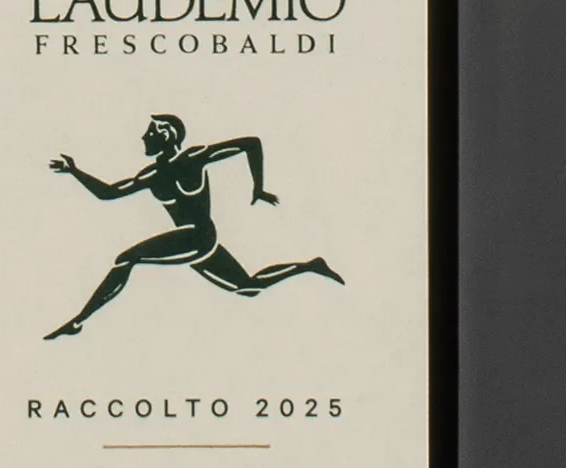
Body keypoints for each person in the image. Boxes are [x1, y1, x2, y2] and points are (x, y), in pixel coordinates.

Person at [44, 113, 343, 339]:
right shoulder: (150, 174)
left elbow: (251, 143)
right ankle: (310, 265)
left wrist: (259, 188)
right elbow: (108, 193)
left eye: (150, 132)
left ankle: (78, 322)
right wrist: (75, 171)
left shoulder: (193, 158)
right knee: (248, 287)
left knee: (126, 259)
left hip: (197, 237)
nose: (143, 137)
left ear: (167, 135)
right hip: (194, 241)